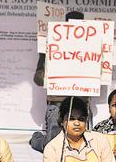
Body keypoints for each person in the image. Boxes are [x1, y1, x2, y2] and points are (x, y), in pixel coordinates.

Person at [30, 11, 89, 153]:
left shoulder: (90, 48)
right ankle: (37, 139)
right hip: (57, 104)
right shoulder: (51, 47)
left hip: (81, 104)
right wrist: (50, 74)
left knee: (83, 148)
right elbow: (37, 79)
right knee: (52, 148)